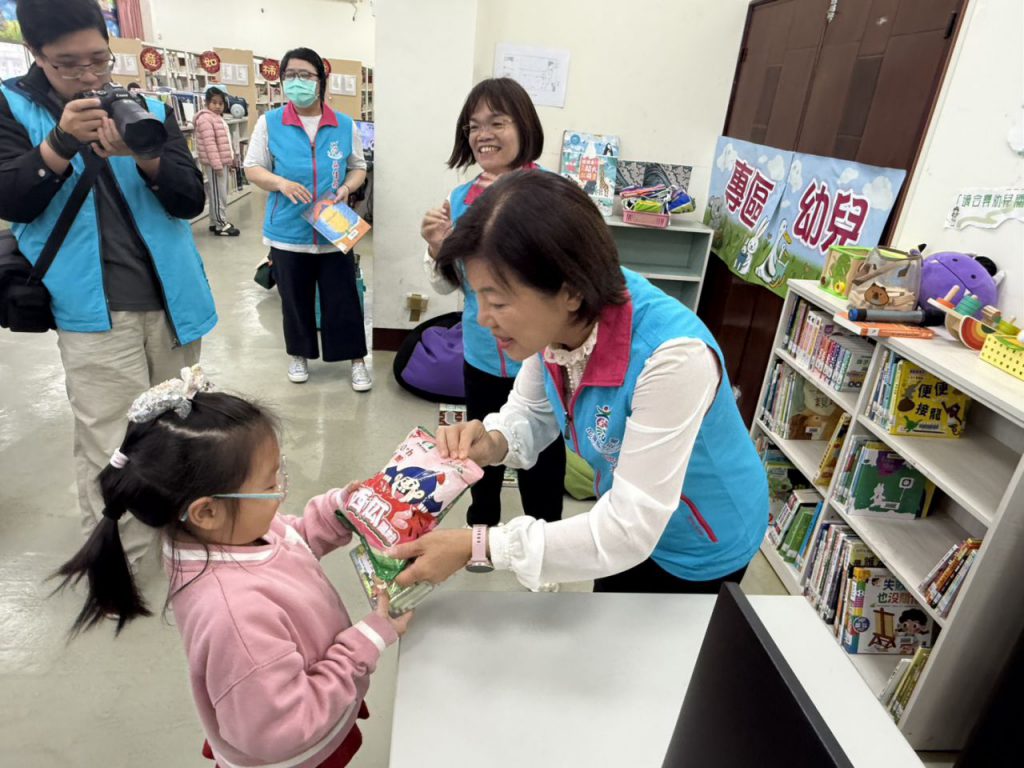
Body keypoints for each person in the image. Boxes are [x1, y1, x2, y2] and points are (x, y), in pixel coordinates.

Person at [393, 171, 769, 594]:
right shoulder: (561, 323)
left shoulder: (673, 359)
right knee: (608, 610)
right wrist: (493, 441)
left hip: (702, 540)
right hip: (624, 513)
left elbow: (627, 531)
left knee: (658, 631)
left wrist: (478, 546)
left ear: (570, 290)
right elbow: (531, 411)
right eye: (477, 297)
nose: (482, 319)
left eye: (497, 301)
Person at [54, 367, 411, 768]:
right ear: (207, 511)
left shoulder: (225, 535)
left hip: (304, 696)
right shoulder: (234, 615)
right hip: (299, 751)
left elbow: (288, 541)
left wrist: (337, 513)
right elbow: (282, 729)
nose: (281, 491)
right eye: (270, 484)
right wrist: (364, 643)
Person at [0, 0, 216, 566]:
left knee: (177, 430)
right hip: (92, 311)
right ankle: (119, 567)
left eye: (99, 59)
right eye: (69, 64)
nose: (90, 76)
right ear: (35, 54)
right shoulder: (9, 106)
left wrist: (146, 157)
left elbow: (189, 198)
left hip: (174, 302)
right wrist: (60, 143)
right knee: (113, 444)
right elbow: (11, 198)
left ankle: (176, 543)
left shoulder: (147, 108)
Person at [420, 78, 564, 533]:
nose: (484, 135)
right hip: (481, 351)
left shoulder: (552, 193)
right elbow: (451, 286)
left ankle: (543, 532)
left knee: (543, 451)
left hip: (542, 352)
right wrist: (438, 249)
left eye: (497, 122)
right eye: (474, 126)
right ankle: (481, 527)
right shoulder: (458, 200)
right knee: (478, 446)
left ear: (524, 127)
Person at [244, 47, 370, 390]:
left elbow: (358, 167)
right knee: (294, 300)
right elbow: (252, 167)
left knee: (344, 299)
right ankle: (299, 354)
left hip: (333, 227)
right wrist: (280, 183)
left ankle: (356, 360)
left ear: (320, 80)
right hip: (287, 230)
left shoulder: (344, 124)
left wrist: (346, 188)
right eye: (290, 76)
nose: (296, 82)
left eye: (305, 75)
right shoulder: (270, 122)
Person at [195, 86, 240, 237]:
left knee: (219, 193)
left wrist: (230, 158)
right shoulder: (205, 119)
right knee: (218, 194)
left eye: (220, 103)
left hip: (222, 161)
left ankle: (214, 222)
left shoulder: (217, 118)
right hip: (216, 164)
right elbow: (210, 145)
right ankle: (221, 225)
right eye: (214, 102)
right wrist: (217, 165)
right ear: (207, 102)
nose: (218, 106)